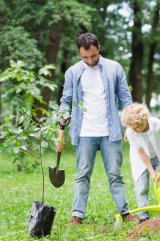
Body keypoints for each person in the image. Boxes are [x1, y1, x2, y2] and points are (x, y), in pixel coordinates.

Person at [57, 33, 137, 224]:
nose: (90, 60)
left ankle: (125, 213)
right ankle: (77, 215)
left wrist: (130, 126)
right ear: (80, 53)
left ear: (98, 48)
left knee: (115, 174)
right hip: (84, 132)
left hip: (111, 131)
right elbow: (65, 102)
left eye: (93, 56)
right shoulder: (73, 72)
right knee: (82, 174)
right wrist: (61, 129)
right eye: (85, 57)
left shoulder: (114, 68)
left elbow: (126, 99)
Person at [121, 103, 160, 223]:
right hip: (140, 159)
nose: (135, 129)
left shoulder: (158, 124)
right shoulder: (131, 132)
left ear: (145, 119)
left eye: (138, 127)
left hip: (157, 156)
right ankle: (143, 215)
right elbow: (141, 153)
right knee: (141, 186)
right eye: (132, 127)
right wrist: (152, 172)